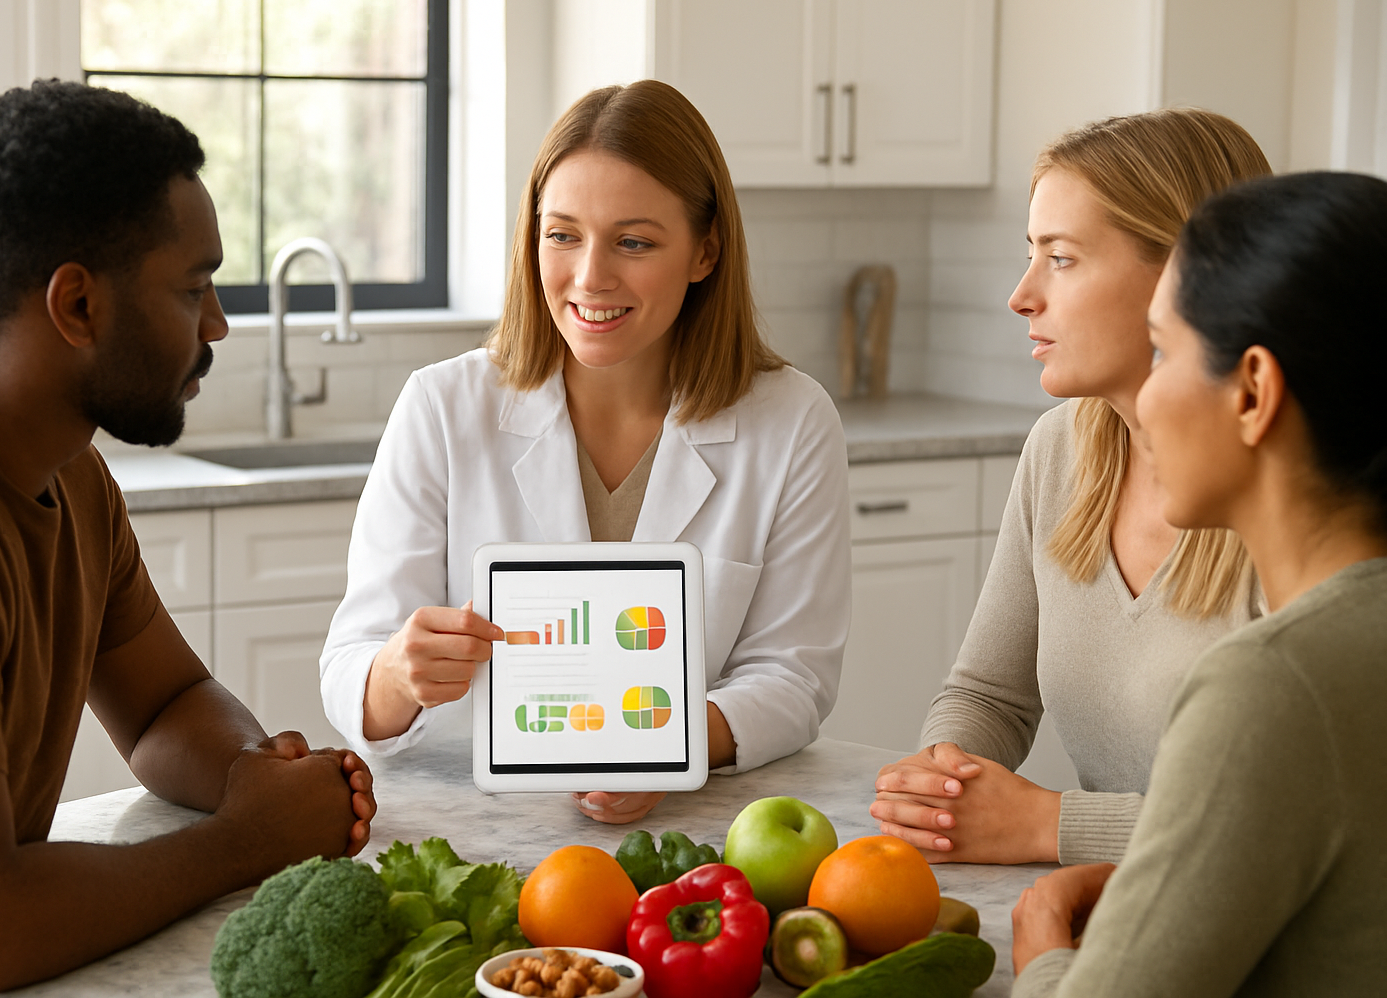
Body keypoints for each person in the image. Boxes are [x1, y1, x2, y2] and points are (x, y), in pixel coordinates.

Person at [0, 81, 375, 997]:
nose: (215, 325)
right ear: (79, 307)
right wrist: (247, 839)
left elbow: (166, 701)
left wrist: (259, 777)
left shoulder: (66, 469)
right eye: (193, 287)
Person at [319, 80, 851, 825]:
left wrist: (671, 747)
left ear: (705, 252)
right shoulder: (441, 407)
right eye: (562, 234)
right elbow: (351, 668)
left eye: (633, 242)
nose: (590, 277)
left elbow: (793, 678)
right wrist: (399, 674)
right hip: (469, 826)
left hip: (685, 837)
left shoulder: (791, 421)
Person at [1010, 169, 1387, 996]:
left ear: (1252, 392)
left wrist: (1042, 949)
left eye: (1162, 351)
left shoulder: (1275, 681)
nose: (1146, 395)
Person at [871, 109, 1271, 865]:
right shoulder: (1061, 450)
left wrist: (1047, 824)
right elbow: (989, 692)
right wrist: (942, 785)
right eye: (1032, 254)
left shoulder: (1294, 497)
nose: (1022, 295)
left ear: (1184, 277)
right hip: (1113, 909)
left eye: (1061, 258)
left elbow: (1292, 825)